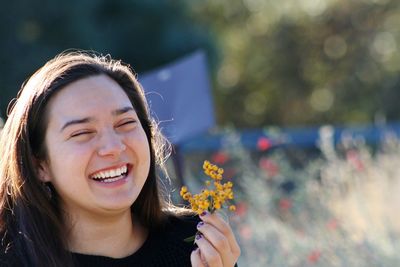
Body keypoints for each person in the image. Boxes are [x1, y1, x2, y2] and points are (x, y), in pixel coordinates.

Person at [0, 51, 240, 266]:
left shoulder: (198, 244)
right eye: (82, 133)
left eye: (125, 123)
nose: (113, 147)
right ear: (39, 164)